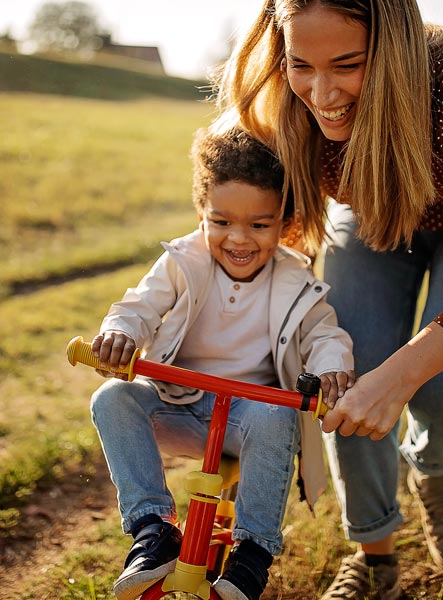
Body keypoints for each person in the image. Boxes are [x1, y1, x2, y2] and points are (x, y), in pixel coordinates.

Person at [214, 1, 443, 598]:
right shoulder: (279, 104)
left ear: (391, 47)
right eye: (302, 65)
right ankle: (376, 555)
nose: (322, 92)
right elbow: (251, 237)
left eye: (348, 64)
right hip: (370, 213)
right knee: (344, 368)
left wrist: (396, 382)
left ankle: (434, 467)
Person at [89, 127, 355, 600]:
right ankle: (153, 529)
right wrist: (121, 333)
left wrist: (332, 366)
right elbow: (139, 306)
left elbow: (324, 333)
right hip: (180, 407)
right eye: (222, 221)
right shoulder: (183, 261)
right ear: (201, 215)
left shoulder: (294, 277)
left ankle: (253, 552)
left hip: (248, 420)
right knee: (113, 397)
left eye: (259, 224)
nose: (239, 238)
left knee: (276, 413)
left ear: (283, 223)